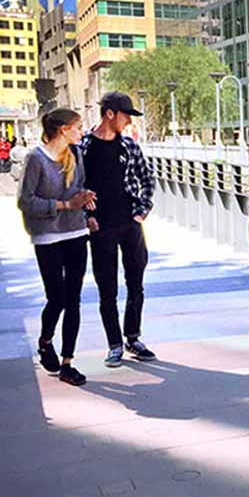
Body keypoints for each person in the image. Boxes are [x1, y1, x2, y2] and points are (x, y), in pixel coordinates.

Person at [16, 109, 95, 386]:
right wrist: (63, 205)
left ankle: (67, 363)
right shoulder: (35, 159)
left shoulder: (76, 155)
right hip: (48, 237)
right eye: (78, 127)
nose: (81, 132)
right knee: (57, 298)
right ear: (63, 129)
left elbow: (79, 188)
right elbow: (26, 201)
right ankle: (46, 340)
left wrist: (87, 206)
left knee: (73, 300)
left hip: (76, 232)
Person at [80, 92, 156, 368]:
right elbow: (75, 187)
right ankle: (114, 344)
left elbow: (147, 179)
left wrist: (141, 213)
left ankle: (132, 337)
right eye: (126, 116)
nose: (128, 122)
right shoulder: (84, 147)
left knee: (136, 284)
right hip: (100, 228)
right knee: (107, 289)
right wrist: (86, 216)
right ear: (110, 114)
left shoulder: (129, 146)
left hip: (130, 225)